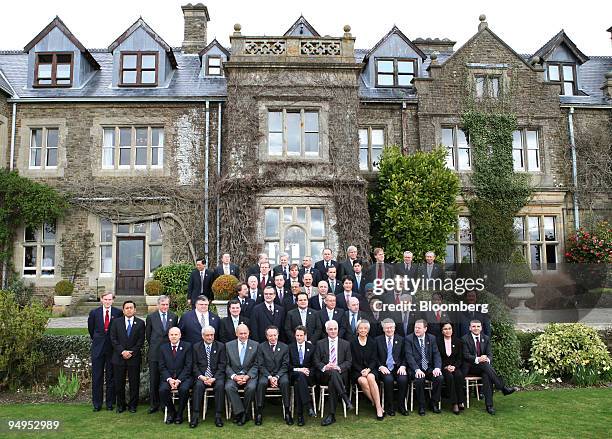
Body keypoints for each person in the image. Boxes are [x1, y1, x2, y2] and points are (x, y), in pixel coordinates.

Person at [460, 320, 517, 415]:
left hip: (483, 367)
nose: (476, 328)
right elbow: (465, 355)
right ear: (470, 328)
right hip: (470, 367)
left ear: (481, 328)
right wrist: (479, 359)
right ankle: (502, 388)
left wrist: (487, 359)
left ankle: (489, 406)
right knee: (485, 366)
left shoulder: (485, 338)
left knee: (487, 375)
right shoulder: (464, 339)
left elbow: (490, 354)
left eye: (478, 326)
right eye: (473, 326)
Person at [88, 291, 122, 412]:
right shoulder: (94, 313)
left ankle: (109, 403)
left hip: (112, 349)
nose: (108, 301)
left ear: (113, 300)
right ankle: (97, 404)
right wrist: (98, 340)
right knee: (97, 377)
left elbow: (119, 330)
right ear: (101, 300)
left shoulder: (118, 313)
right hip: (98, 349)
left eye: (110, 299)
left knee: (110, 376)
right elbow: (91, 330)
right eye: (105, 299)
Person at [314, 320, 353, 426]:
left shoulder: (345, 344)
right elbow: (316, 361)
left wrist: (339, 367)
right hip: (325, 374)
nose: (333, 331)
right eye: (330, 329)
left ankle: (332, 415)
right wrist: (325, 366)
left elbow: (349, 362)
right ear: (326, 330)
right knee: (332, 373)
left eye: (335, 329)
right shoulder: (320, 343)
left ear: (338, 329)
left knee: (333, 379)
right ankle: (345, 398)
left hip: (340, 374)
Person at [110, 300, 145, 413]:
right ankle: (120, 405)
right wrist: (122, 351)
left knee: (134, 383)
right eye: (127, 308)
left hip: (133, 358)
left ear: (135, 310)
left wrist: (131, 352)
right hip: (119, 358)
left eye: (131, 308)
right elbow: (113, 339)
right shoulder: (116, 322)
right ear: (123, 310)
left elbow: (140, 341)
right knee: (119, 383)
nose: (129, 310)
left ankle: (133, 405)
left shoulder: (140, 323)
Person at [145, 295, 177, 414]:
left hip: (168, 354)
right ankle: (154, 404)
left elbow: (174, 334)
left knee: (166, 379)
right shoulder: (151, 317)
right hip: (155, 353)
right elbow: (148, 335)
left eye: (167, 304)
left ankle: (165, 404)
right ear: (158, 305)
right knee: (154, 380)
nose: (165, 307)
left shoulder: (173, 317)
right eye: (163, 304)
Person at [255, 326, 293, 426]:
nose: (273, 338)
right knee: (261, 383)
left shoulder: (285, 347)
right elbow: (260, 365)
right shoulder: (261, 346)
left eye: (275, 335)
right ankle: (259, 412)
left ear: (278, 335)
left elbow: (285, 365)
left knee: (285, 382)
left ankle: (287, 411)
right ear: (267, 336)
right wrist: (269, 377)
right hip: (266, 373)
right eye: (270, 335)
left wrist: (276, 377)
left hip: (280, 373)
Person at [405, 319, 443, 416]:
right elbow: (409, 356)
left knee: (439, 377)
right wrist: (417, 369)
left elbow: (436, 354)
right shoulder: (409, 339)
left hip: (428, 368)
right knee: (419, 379)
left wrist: (437, 368)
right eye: (415, 327)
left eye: (419, 328)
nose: (416, 330)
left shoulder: (432, 338)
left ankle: (433, 403)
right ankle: (422, 405)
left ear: (425, 329)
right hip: (415, 368)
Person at [191, 325, 226, 428]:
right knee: (198, 386)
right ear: (202, 336)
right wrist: (201, 377)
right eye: (207, 335)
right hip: (202, 376)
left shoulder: (220, 346)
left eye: (211, 335)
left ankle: (218, 416)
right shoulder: (196, 347)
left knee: (220, 386)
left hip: (216, 376)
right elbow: (194, 365)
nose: (210, 337)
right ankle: (195, 416)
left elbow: (222, 364)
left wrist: (214, 378)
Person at [225, 324, 259, 426]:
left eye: (245, 333)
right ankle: (241, 412)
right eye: (241, 333)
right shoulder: (228, 345)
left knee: (251, 388)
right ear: (236, 334)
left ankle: (244, 414)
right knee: (229, 387)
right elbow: (225, 364)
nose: (243, 336)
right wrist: (234, 376)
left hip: (249, 376)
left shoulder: (256, 345)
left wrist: (247, 376)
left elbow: (257, 364)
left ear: (249, 333)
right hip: (234, 375)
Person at [351, 319, 384, 420]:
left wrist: (368, 369)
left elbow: (374, 359)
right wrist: (361, 371)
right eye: (360, 328)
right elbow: (352, 360)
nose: (363, 330)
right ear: (357, 330)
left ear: (368, 330)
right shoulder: (352, 342)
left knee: (370, 377)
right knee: (362, 380)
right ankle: (376, 403)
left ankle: (378, 408)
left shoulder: (373, 342)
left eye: (365, 328)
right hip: (357, 370)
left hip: (371, 369)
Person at [159, 327, 193, 424]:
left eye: (176, 334)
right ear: (169, 336)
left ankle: (180, 414)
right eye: (171, 335)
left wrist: (178, 380)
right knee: (163, 390)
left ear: (180, 335)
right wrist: (169, 380)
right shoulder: (163, 348)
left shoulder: (187, 346)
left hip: (184, 377)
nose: (174, 336)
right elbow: (161, 366)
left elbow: (188, 366)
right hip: (168, 378)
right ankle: (172, 412)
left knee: (184, 389)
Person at [376, 318, 409, 416]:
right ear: (383, 329)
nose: (389, 330)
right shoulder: (378, 340)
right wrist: (380, 366)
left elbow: (405, 355)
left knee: (403, 379)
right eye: (387, 328)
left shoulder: (401, 339)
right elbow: (374, 357)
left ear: (394, 328)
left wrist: (403, 366)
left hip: (398, 367)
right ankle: (390, 406)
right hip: (384, 367)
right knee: (388, 380)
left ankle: (401, 406)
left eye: (391, 328)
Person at [288, 326, 317, 426]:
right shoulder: (290, 347)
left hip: (307, 377)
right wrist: (300, 370)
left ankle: (300, 415)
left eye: (301, 335)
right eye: (297, 335)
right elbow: (288, 365)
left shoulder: (312, 348)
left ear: (305, 336)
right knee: (299, 377)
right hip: (294, 375)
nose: (299, 337)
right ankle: (308, 406)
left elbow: (315, 364)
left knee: (298, 383)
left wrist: (308, 371)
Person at [437, 321, 465, 414]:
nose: (448, 331)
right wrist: (445, 367)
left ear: (452, 330)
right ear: (442, 331)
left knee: (459, 375)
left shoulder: (458, 341)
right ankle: (454, 403)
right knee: (449, 377)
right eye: (445, 329)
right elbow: (437, 357)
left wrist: (454, 366)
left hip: (454, 366)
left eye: (449, 328)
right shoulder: (438, 342)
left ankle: (460, 401)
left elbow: (460, 358)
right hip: (443, 367)